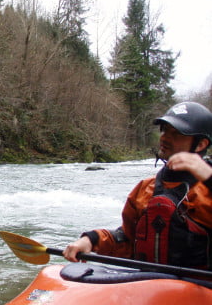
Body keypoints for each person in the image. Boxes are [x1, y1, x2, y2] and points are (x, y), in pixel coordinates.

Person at [64, 102, 212, 269]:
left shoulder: (207, 191)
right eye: (164, 130)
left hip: (199, 289)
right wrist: (92, 239)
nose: (164, 137)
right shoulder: (145, 188)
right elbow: (128, 239)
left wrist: (208, 176)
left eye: (176, 133)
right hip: (151, 286)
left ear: (200, 144)